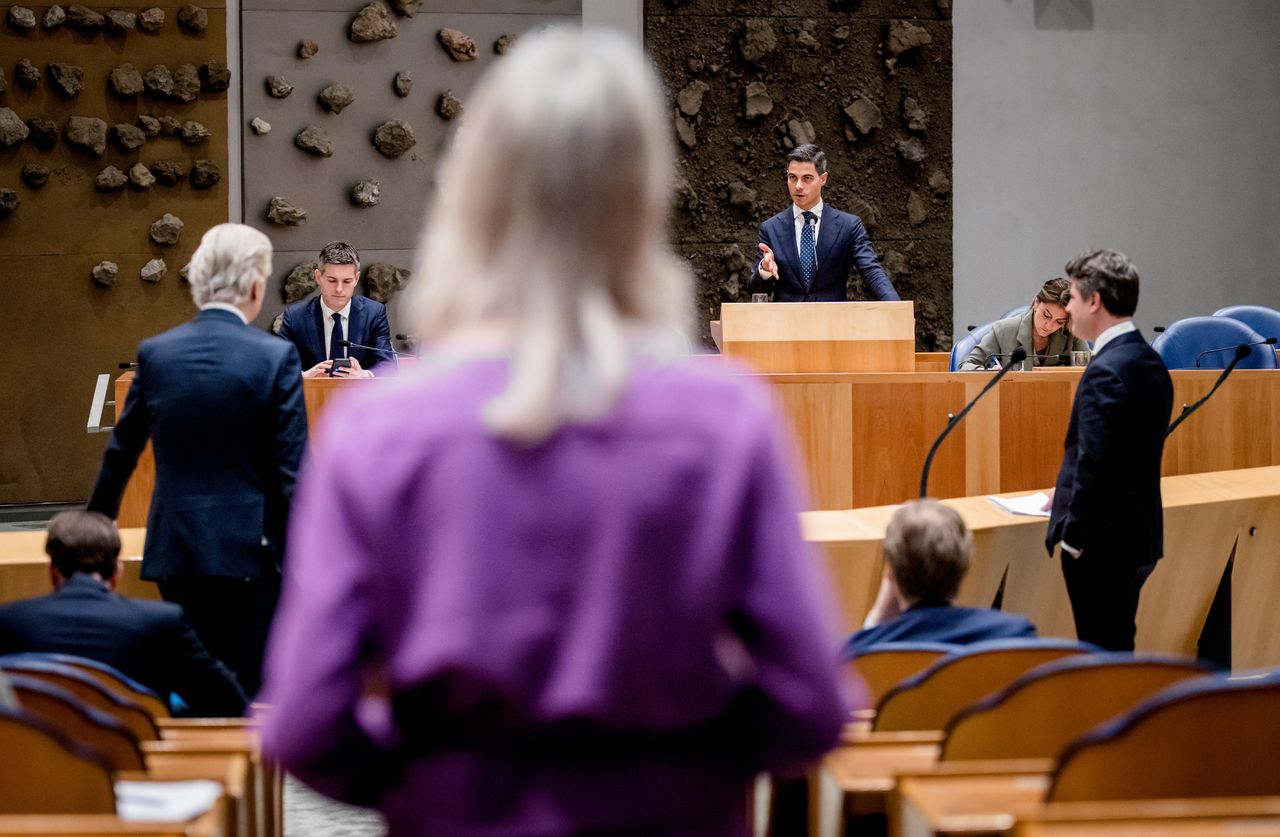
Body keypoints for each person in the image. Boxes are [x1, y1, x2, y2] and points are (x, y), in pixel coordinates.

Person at [261, 27, 851, 836]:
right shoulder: (727, 420)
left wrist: (435, 780)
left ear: (474, 195)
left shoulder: (376, 427)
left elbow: (303, 724)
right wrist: (683, 768)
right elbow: (811, 705)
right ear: (642, 198)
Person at [88, 223, 308, 697]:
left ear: (199, 284)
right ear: (255, 287)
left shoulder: (156, 353)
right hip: (252, 554)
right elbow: (291, 474)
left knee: (192, 683)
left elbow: (121, 454)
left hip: (176, 551)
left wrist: (93, 535)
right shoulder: (275, 358)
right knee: (249, 687)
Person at [1045, 248, 1173, 652]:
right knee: (1118, 649)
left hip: (1101, 547)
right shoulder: (1150, 360)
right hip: (1140, 538)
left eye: (1072, 298)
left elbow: (1096, 462)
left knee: (1102, 658)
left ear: (1094, 301)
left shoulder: (1106, 369)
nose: (1068, 307)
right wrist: (1063, 491)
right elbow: (1126, 452)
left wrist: (1074, 538)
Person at [0, 511, 248, 716]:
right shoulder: (162, 621)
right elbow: (229, 701)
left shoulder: (9, 620)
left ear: (53, 571)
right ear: (117, 571)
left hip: (37, 757)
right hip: (138, 755)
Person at [844, 500, 1036, 656]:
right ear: (966, 563)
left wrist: (877, 618)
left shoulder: (862, 650)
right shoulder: (1015, 635)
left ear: (890, 573)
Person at [751, 143, 900, 302]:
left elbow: (872, 272)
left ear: (823, 178)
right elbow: (756, 291)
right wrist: (765, 270)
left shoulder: (848, 226)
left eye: (807, 178)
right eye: (792, 177)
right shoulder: (771, 228)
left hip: (832, 317)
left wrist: (896, 309)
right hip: (786, 317)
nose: (798, 186)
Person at [278, 241, 395, 378]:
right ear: (318, 277)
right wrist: (304, 377)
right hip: (312, 392)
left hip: (358, 391)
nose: (339, 289)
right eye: (332, 280)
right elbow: (278, 367)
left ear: (356, 278)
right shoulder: (295, 316)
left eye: (347, 281)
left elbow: (387, 366)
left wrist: (364, 376)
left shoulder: (374, 313)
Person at [960, 278, 1090, 370]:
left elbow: (1091, 369)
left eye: (1059, 321)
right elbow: (966, 365)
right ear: (1036, 303)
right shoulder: (1003, 330)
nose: (1049, 326)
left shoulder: (1072, 331)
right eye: (1046, 315)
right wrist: (988, 374)